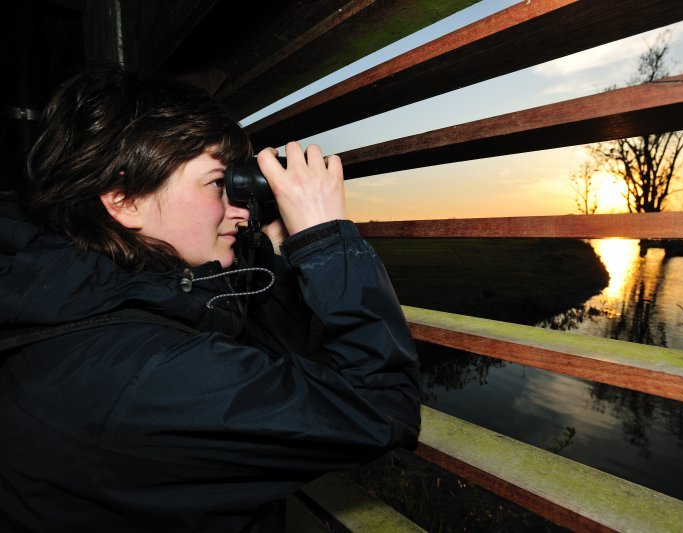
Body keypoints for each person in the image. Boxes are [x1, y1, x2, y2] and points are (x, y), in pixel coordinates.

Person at [0, 64, 420, 532]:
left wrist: (279, 251)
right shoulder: (149, 376)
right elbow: (385, 407)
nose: (240, 208)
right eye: (218, 183)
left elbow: (258, 361)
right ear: (124, 200)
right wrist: (324, 239)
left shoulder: (76, 290)